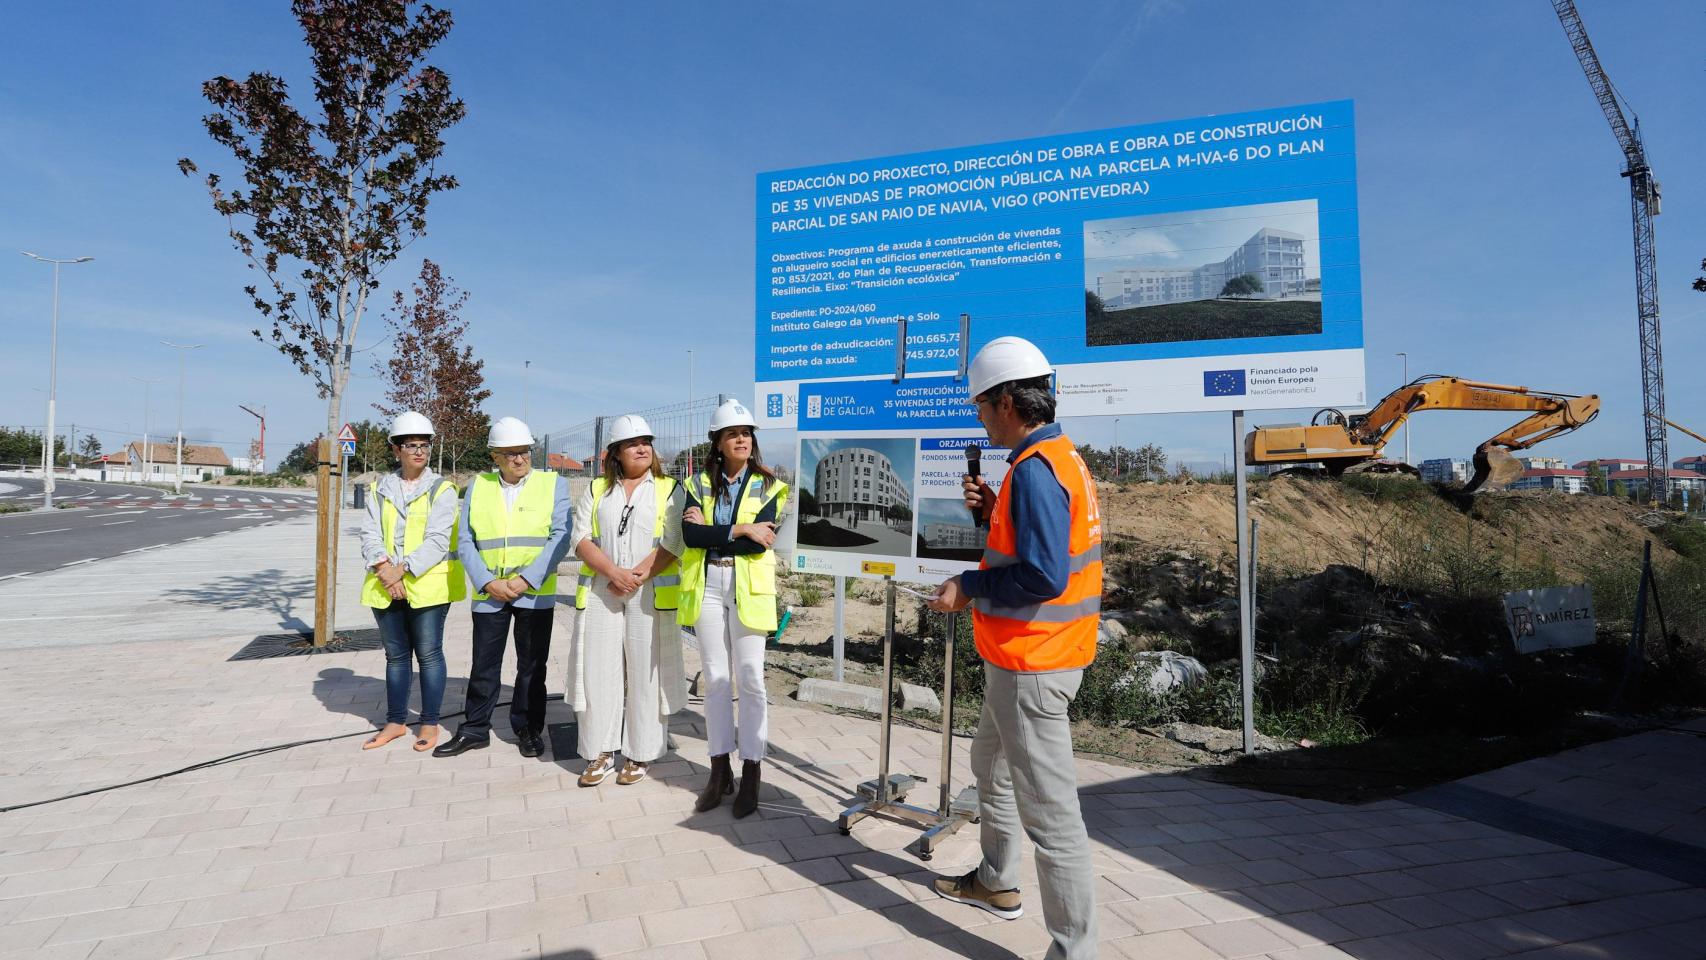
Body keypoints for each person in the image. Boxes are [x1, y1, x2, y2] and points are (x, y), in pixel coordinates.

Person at [926, 336, 1103, 960]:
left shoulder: (1036, 469)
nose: (977, 416)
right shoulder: (1052, 458)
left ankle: (1072, 949)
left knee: (1052, 819)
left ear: (1007, 400)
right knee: (990, 770)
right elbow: (1038, 550)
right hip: (1023, 656)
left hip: (1036, 661)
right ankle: (997, 882)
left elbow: (1044, 576)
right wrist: (995, 510)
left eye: (980, 404)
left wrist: (966, 586)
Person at [435, 416, 572, 759]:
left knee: (531, 666)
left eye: (524, 451)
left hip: (534, 592)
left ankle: (527, 729)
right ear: (494, 456)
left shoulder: (552, 484)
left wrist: (526, 579)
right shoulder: (479, 487)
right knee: (483, 665)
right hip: (490, 592)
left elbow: (561, 535)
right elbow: (465, 540)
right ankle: (475, 729)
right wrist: (487, 581)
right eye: (510, 453)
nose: (520, 459)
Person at [678, 399, 789, 818]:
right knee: (717, 679)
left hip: (748, 587)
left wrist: (717, 533)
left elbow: (756, 543)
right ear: (718, 442)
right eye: (733, 434)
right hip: (707, 585)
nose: (741, 439)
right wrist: (741, 527)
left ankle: (752, 770)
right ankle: (718, 769)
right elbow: (690, 537)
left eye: (746, 433)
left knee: (751, 679)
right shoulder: (695, 483)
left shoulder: (772, 486)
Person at [565, 414, 688, 786]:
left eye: (646, 441)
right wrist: (613, 574)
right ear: (616, 452)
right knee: (598, 672)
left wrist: (636, 576)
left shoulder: (670, 489)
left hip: (648, 590)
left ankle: (640, 752)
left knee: (645, 672)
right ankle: (600, 751)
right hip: (605, 589)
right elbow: (581, 537)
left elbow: (675, 540)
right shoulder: (597, 489)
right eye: (633, 443)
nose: (642, 448)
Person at [357, 411, 464, 753]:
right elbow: (369, 532)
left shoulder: (442, 490)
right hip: (386, 584)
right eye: (411, 446)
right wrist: (383, 570)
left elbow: (437, 539)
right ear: (396, 450)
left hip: (428, 585)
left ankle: (430, 722)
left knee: (430, 655)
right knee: (396, 657)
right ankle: (395, 721)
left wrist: (400, 569)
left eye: (424, 445)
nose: (419, 451)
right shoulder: (378, 489)